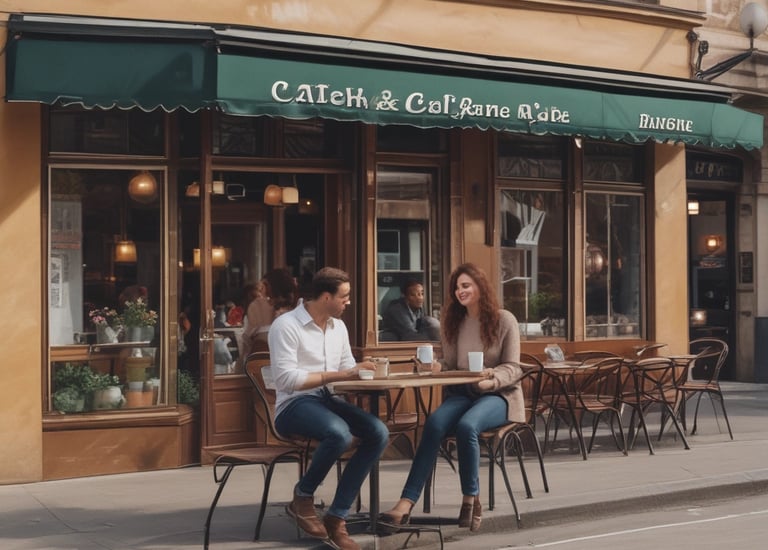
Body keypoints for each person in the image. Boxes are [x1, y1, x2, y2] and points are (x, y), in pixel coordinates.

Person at [380, 263, 523, 532]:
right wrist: (437, 367)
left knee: (468, 426)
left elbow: (513, 367)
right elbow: (450, 364)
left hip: (498, 395)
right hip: (462, 393)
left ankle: (471, 499)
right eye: (457, 288)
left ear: (481, 286)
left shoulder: (505, 320)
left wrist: (490, 381)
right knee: (433, 424)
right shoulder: (453, 321)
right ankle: (406, 502)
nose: (460, 291)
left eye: (466, 285)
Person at [269, 267, 390, 550]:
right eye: (344, 296)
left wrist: (369, 373)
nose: (348, 301)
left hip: (328, 400)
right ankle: (303, 496)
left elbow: (347, 370)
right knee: (339, 433)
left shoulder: (339, 327)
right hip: (293, 405)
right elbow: (287, 380)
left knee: (378, 432)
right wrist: (341, 376)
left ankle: (337, 517)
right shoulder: (286, 326)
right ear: (326, 297)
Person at [241, 268, 299, 358]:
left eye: (262, 288)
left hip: (259, 363)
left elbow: (247, 344)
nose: (260, 292)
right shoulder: (299, 312)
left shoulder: (258, 306)